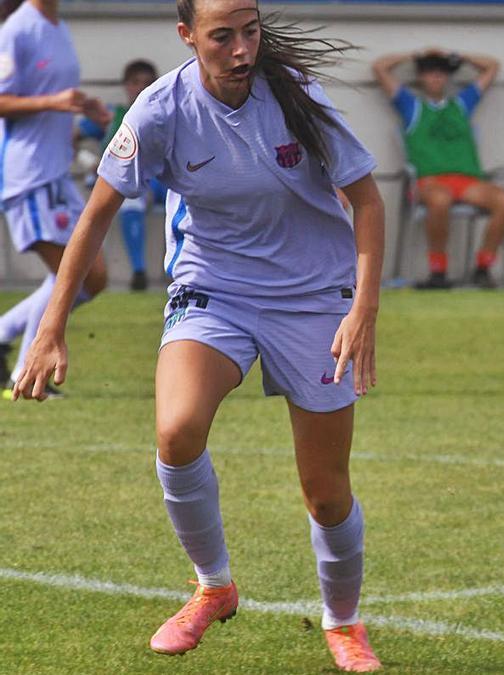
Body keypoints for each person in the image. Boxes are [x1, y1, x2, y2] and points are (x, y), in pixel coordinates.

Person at [12, 0, 386, 671]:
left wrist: (362, 311)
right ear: (187, 36)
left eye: (250, 31)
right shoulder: (160, 110)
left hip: (311, 298)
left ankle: (344, 622)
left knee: (325, 490)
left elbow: (367, 201)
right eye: (222, 37)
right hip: (215, 289)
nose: (242, 50)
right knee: (177, 429)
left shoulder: (296, 94)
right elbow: (96, 215)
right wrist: (49, 329)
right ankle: (213, 585)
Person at [0, 0, 110, 398]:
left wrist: (83, 108)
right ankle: (25, 375)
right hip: (28, 176)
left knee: (92, 276)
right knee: (72, 271)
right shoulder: (17, 30)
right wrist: (53, 103)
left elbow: (56, 95)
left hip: (57, 172)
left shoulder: (57, 26)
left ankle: (3, 338)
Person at [372, 47, 504, 290]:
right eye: (429, 72)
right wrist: (414, 55)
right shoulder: (411, 106)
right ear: (421, 77)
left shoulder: (461, 104)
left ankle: (483, 268)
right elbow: (379, 68)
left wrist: (457, 55)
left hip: (466, 181)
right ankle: (438, 272)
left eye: (441, 72)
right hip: (430, 181)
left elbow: (493, 66)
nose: (436, 77)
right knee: (440, 200)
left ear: (447, 77)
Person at [79, 58, 160, 291]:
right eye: (135, 82)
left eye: (147, 83)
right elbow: (72, 135)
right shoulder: (114, 116)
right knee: (130, 201)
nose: (141, 88)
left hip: (162, 183)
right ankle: (139, 271)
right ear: (126, 85)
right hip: (134, 183)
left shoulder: (165, 113)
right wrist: (87, 160)